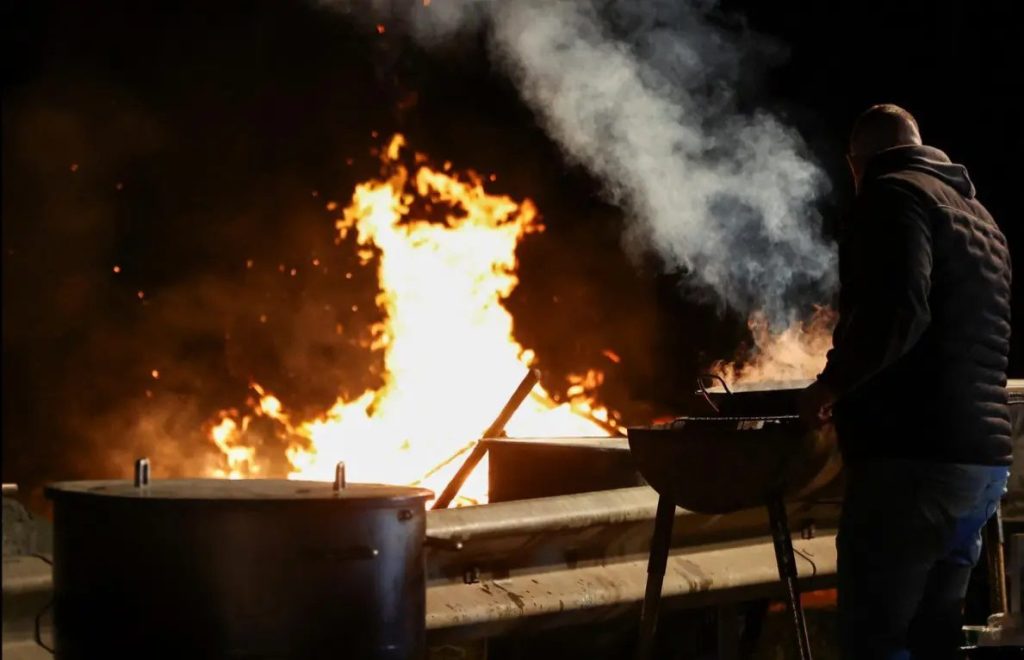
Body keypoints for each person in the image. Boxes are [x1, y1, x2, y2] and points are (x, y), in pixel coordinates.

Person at [800, 104, 1013, 659]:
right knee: (932, 638)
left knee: (875, 638)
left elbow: (899, 311)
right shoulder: (980, 216)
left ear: (857, 163)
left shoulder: (892, 194)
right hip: (982, 464)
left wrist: (830, 386)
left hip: (914, 460)